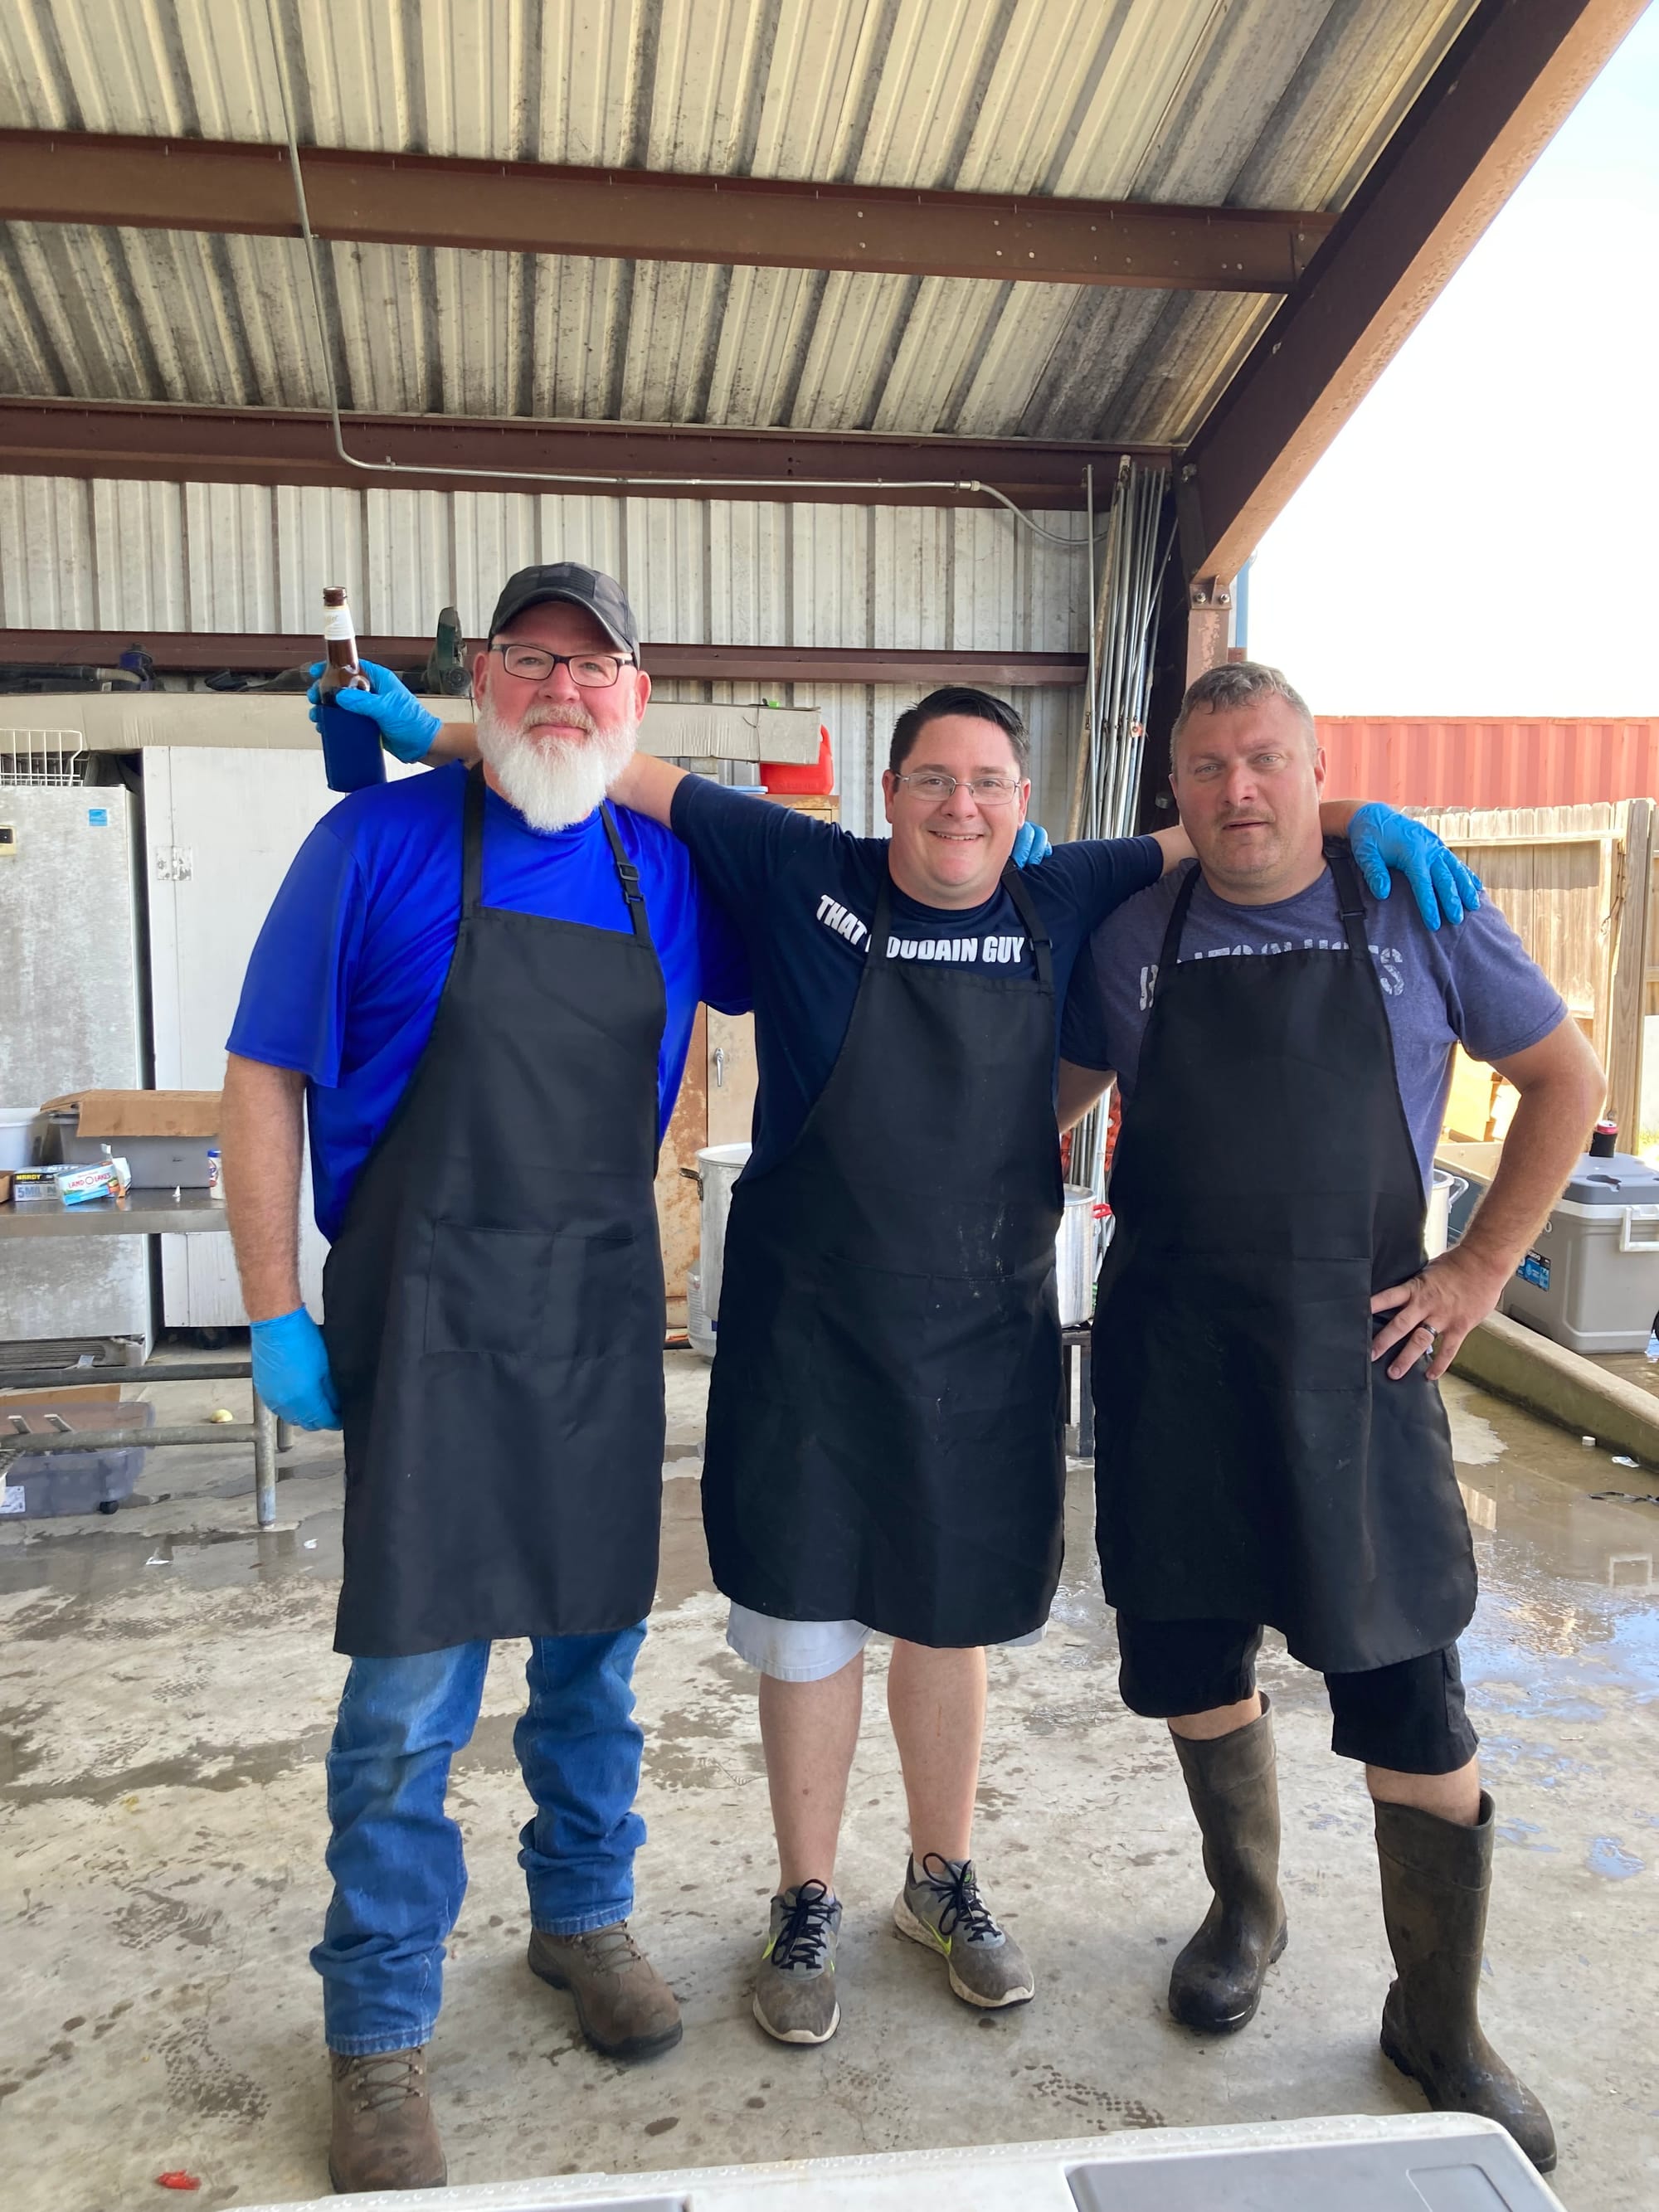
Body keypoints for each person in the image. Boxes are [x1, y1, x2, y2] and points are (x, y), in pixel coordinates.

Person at [357, 661, 1468, 2049]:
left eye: (988, 784)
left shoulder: (1064, 893)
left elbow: (1232, 816)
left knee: (949, 1614)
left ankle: (941, 1884)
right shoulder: (793, 861)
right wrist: (436, 736)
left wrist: (1362, 814)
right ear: (889, 796)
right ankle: (805, 1897)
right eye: (933, 780)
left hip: (981, 1329)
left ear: (1022, 807)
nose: (959, 804)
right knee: (811, 1620)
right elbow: (593, 760)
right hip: (810, 1334)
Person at [219, 563, 747, 2194]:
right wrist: (267, 1311)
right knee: (406, 1703)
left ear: (636, 698)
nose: (562, 692)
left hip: (596, 1319)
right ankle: (377, 2027)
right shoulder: (365, 847)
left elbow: (867, 880)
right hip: (425, 1321)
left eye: (594, 670)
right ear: (488, 680)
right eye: (530, 662)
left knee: (592, 1668)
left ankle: (580, 1918)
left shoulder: (666, 870)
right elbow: (260, 1079)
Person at [1058, 661, 1603, 2174]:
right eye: (1212, 767)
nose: (1242, 791)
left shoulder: (1412, 911)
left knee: (1414, 1707)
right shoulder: (1131, 935)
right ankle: (1245, 1905)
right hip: (1175, 1370)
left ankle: (1439, 2021)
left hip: (1363, 1376)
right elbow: (1039, 1096)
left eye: (1269, 763)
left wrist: (1482, 1268)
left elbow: (1566, 1076)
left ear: (1317, 774)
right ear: (1176, 793)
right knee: (1188, 1661)